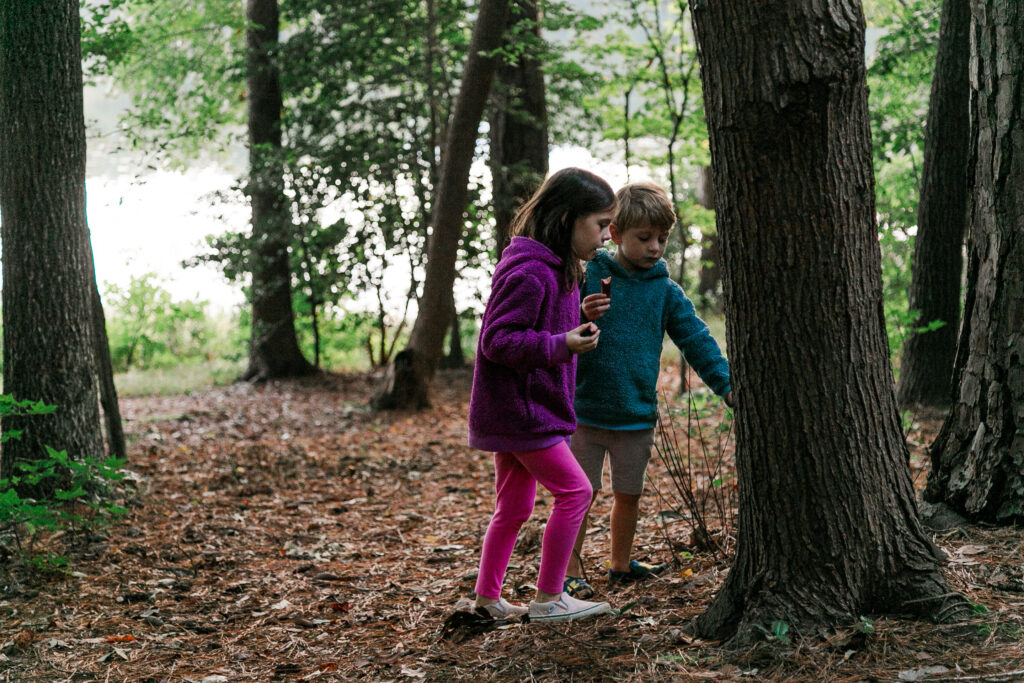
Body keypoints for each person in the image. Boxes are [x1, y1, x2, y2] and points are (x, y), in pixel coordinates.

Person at [563, 181, 734, 599]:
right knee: (578, 497)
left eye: (662, 238)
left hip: (635, 414)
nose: (655, 247)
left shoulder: (665, 291)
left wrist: (726, 385)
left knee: (629, 494)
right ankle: (569, 570)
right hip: (584, 410)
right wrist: (581, 311)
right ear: (616, 234)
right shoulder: (590, 273)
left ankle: (620, 565)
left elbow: (696, 338)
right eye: (644, 238)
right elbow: (559, 321)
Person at [468, 167, 617, 623]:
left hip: (517, 409)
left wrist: (578, 314)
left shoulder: (555, 268)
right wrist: (560, 344)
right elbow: (499, 340)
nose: (607, 236)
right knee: (576, 492)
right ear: (568, 218)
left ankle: (487, 599)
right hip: (525, 410)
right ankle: (550, 599)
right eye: (600, 224)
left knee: (513, 507)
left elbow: (542, 320)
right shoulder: (532, 272)